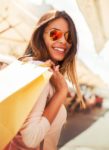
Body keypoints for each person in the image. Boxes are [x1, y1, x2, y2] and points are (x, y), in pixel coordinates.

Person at [5, 10, 84, 150]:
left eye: (69, 37)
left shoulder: (30, 68)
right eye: (55, 34)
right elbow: (30, 138)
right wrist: (61, 92)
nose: (63, 41)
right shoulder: (39, 73)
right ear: (41, 35)